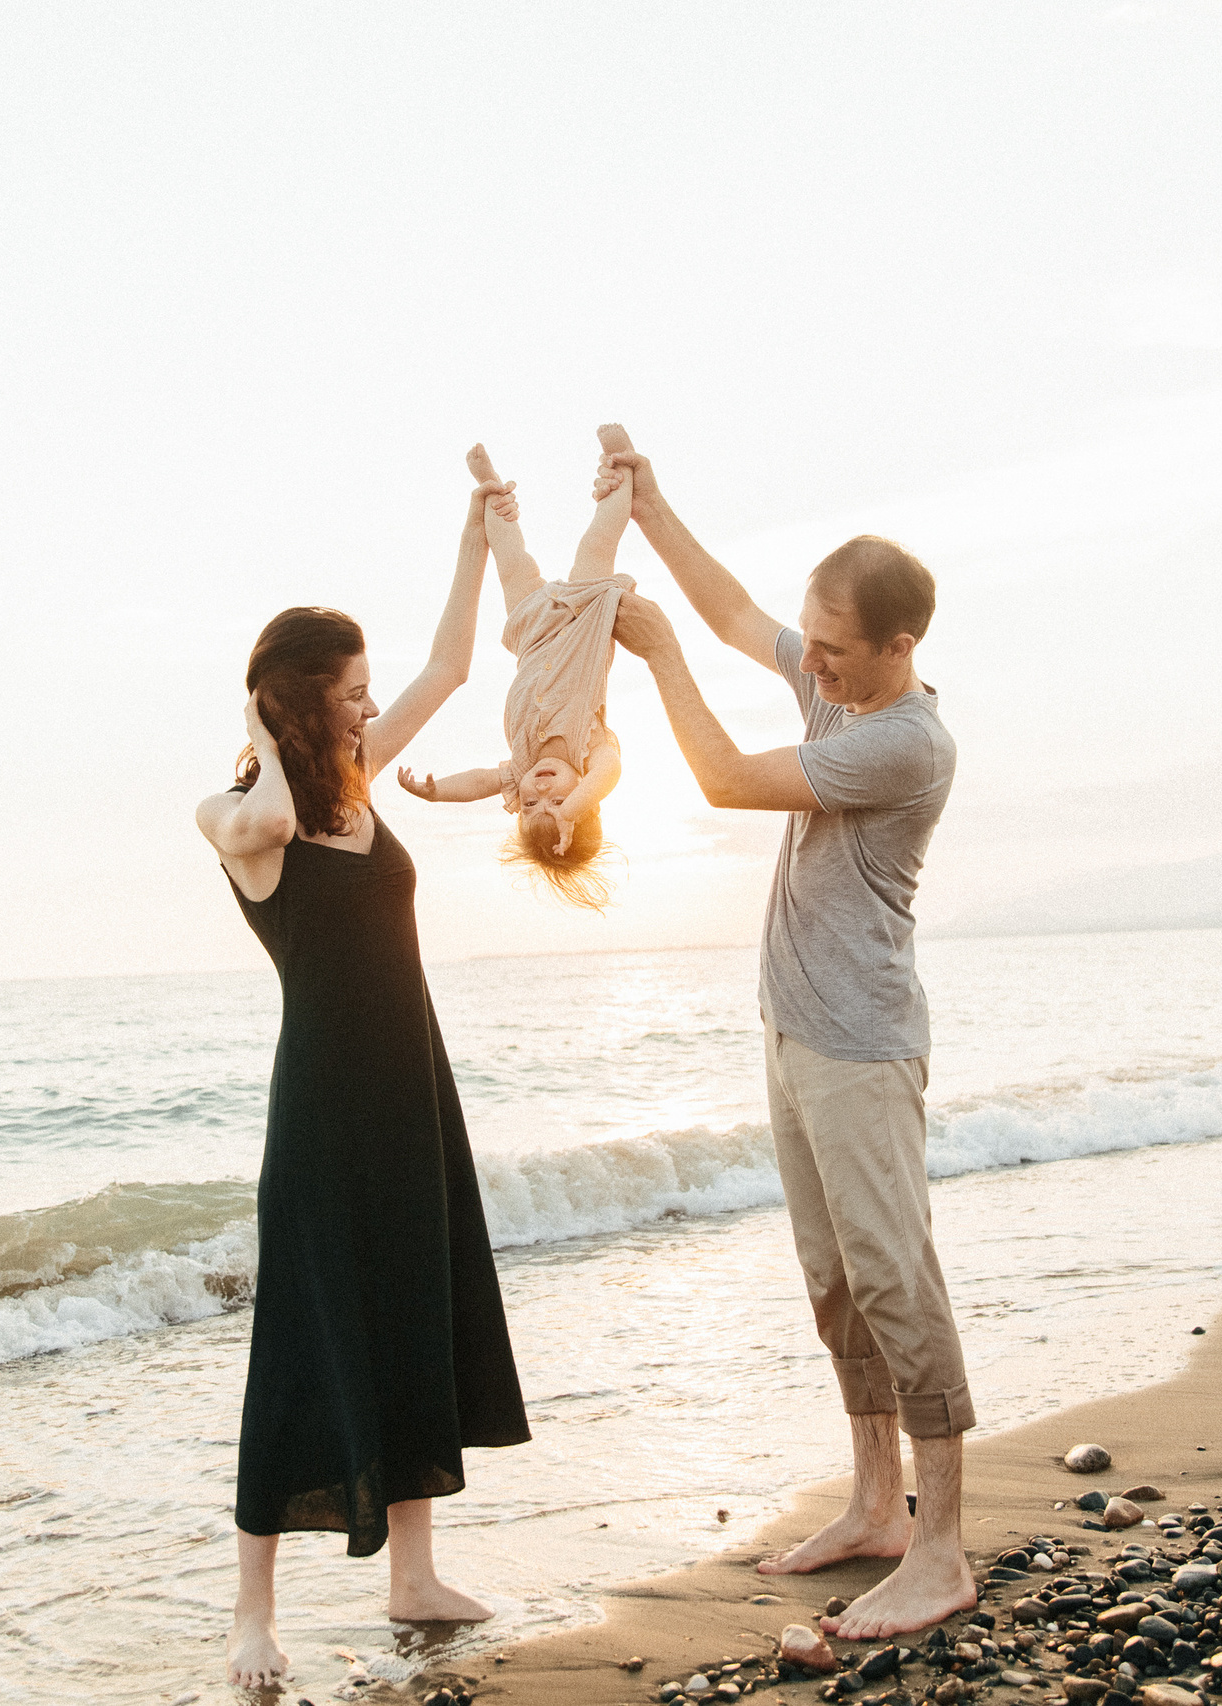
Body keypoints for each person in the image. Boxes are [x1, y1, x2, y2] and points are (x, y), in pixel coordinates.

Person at [595, 428, 975, 1640]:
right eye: (810, 637)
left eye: (833, 645)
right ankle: (873, 1502)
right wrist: (650, 509)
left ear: (898, 644)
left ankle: (942, 1546)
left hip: (860, 1042)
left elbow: (715, 775)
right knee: (833, 1281)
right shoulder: (837, 678)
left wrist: (652, 658)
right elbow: (727, 608)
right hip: (793, 1030)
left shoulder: (902, 739)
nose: (808, 658)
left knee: (895, 1278)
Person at [194, 477, 531, 1688]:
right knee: (303, 1344)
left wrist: (473, 541)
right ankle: (250, 1614)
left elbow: (444, 669)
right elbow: (265, 813)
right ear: (297, 700)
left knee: (415, 1313)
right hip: (326, 1119)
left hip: (411, 1095)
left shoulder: (354, 782)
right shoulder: (240, 812)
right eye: (348, 691)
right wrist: (263, 716)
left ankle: (412, 1572)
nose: (371, 706)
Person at [395, 430, 636, 908]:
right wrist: (578, 803)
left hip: (531, 631)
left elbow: (482, 784)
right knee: (598, 539)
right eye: (559, 801)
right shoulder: (591, 752)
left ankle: (491, 490)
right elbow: (609, 776)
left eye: (530, 805)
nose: (540, 791)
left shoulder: (522, 766)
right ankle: (620, 467)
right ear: (585, 801)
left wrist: (438, 792)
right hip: (585, 618)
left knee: (511, 558)